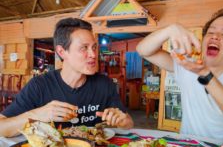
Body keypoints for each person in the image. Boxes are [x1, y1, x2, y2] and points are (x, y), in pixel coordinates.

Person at [137, 9, 223, 144]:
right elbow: (143, 50)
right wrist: (170, 29)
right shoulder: (188, 64)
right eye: (210, 32)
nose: (215, 36)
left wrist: (205, 74)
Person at [0, 18, 134, 137]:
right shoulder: (39, 85)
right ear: (62, 52)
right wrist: (37, 115)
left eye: (94, 47)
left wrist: (122, 121)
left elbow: (129, 123)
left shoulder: (104, 84)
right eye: (84, 48)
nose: (93, 54)